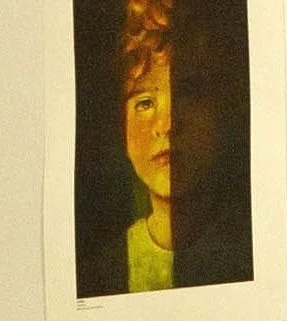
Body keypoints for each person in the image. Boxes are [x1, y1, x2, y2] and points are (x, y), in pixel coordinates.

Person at [76, 0, 254, 297]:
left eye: (189, 94)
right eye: (144, 103)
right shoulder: (101, 272)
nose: (167, 124)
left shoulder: (246, 251)